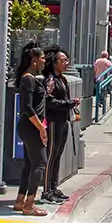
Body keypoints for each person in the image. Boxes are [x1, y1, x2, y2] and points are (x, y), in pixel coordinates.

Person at [11, 44, 49, 217]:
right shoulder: (28, 79)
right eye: (42, 58)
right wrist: (41, 128)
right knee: (40, 163)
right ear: (34, 61)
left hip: (28, 126)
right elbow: (27, 107)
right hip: (31, 126)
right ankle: (29, 204)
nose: (44, 61)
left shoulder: (31, 79)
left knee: (29, 164)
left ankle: (20, 201)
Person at [40, 47, 79, 204]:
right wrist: (68, 103)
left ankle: (54, 187)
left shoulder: (62, 79)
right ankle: (46, 190)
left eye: (66, 60)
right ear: (54, 63)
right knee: (51, 155)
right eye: (62, 61)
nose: (66, 63)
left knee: (57, 155)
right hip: (54, 121)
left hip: (63, 121)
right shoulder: (50, 80)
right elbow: (48, 101)